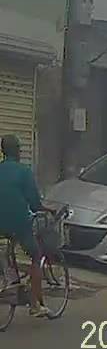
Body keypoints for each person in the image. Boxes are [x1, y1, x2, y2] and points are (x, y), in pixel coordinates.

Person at [0, 135, 48, 318]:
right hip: (18, 222)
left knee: (7, 251)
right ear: (18, 151)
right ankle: (35, 305)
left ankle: (11, 278)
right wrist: (45, 209)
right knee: (35, 256)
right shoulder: (24, 172)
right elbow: (34, 203)